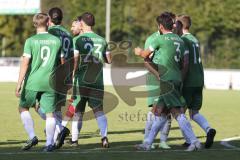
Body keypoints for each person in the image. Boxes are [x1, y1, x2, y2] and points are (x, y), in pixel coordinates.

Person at [134, 12, 201, 151]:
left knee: (177, 113)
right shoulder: (180, 40)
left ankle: (194, 141)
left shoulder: (161, 39)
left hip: (167, 78)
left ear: (160, 26)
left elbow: (145, 55)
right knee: (160, 113)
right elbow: (185, 62)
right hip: (176, 78)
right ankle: (147, 143)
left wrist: (138, 51)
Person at [16, 13, 62, 152]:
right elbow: (62, 63)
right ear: (48, 22)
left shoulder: (30, 41)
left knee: (23, 108)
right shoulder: (56, 40)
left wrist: (19, 83)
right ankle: (49, 144)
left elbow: (25, 64)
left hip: (33, 82)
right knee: (50, 114)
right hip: (51, 82)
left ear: (35, 24)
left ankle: (32, 136)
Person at [36, 7, 73, 149]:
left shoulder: (49, 33)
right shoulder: (68, 34)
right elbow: (71, 56)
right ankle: (58, 131)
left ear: (49, 19)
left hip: (50, 74)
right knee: (56, 108)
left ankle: (59, 129)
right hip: (64, 74)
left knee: (38, 104)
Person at [73, 12, 111, 148]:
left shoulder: (77, 39)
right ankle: (104, 137)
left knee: (78, 111)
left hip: (81, 79)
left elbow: (75, 59)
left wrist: (73, 72)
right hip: (97, 80)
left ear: (82, 23)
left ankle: (74, 140)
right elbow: (109, 60)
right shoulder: (102, 39)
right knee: (98, 110)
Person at [178, 15, 216, 148]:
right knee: (194, 112)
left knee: (180, 112)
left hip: (189, 80)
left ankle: (190, 140)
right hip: (199, 79)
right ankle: (209, 130)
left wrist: (180, 79)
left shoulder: (182, 41)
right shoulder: (194, 39)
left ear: (180, 26)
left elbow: (185, 62)